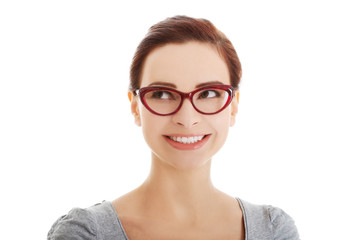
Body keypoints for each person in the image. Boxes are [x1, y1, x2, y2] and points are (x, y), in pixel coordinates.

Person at [48, 15, 300, 240]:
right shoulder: (84, 234)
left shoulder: (272, 231)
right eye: (162, 94)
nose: (187, 118)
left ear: (233, 106)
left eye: (209, 93)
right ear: (136, 107)